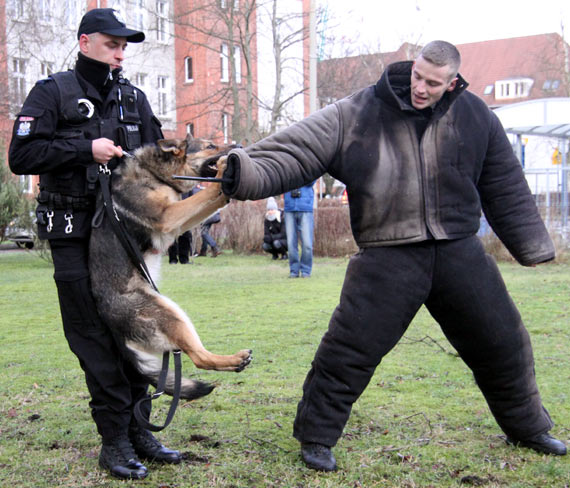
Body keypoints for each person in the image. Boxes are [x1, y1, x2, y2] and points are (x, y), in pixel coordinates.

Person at [220, 40, 566, 471]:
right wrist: (244, 169)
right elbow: (297, 149)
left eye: (433, 83)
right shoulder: (357, 112)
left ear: (452, 82)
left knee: (504, 343)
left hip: (459, 250)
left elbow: (504, 181)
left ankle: (529, 428)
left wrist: (532, 244)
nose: (421, 87)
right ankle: (316, 437)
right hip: (388, 254)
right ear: (412, 66)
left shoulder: (476, 115)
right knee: (348, 351)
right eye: (418, 76)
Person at [9, 8, 181, 480]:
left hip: (127, 234)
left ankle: (140, 431)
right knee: (91, 333)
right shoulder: (52, 92)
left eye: (124, 46)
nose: (121, 52)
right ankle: (115, 439)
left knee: (136, 328)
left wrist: (183, 226)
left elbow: (159, 163)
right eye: (112, 44)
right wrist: (84, 149)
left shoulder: (134, 97)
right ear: (85, 43)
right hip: (72, 229)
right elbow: (21, 156)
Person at [284, 184, 314, 278]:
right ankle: (294, 270)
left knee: (307, 244)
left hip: (305, 206)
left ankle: (306, 270)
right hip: (289, 207)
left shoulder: (310, 168)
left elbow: (312, 180)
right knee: (291, 244)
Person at [168, 192, 192, 264]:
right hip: (172, 212)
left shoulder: (188, 188)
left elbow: (192, 199)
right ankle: (173, 259)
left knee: (186, 236)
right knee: (171, 236)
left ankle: (184, 259)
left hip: (185, 213)